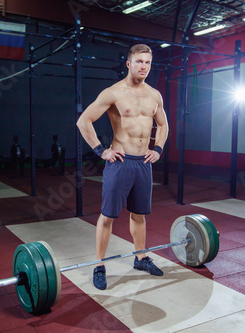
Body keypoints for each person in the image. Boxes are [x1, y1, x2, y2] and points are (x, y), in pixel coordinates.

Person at [76, 44, 169, 290]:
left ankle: (140, 258)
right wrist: (100, 150)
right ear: (128, 64)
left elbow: (163, 124)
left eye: (147, 62)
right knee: (107, 217)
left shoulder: (154, 95)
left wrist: (158, 148)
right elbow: (83, 120)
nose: (143, 67)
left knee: (139, 215)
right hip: (120, 162)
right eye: (139, 62)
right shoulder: (114, 92)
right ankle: (99, 265)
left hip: (143, 164)